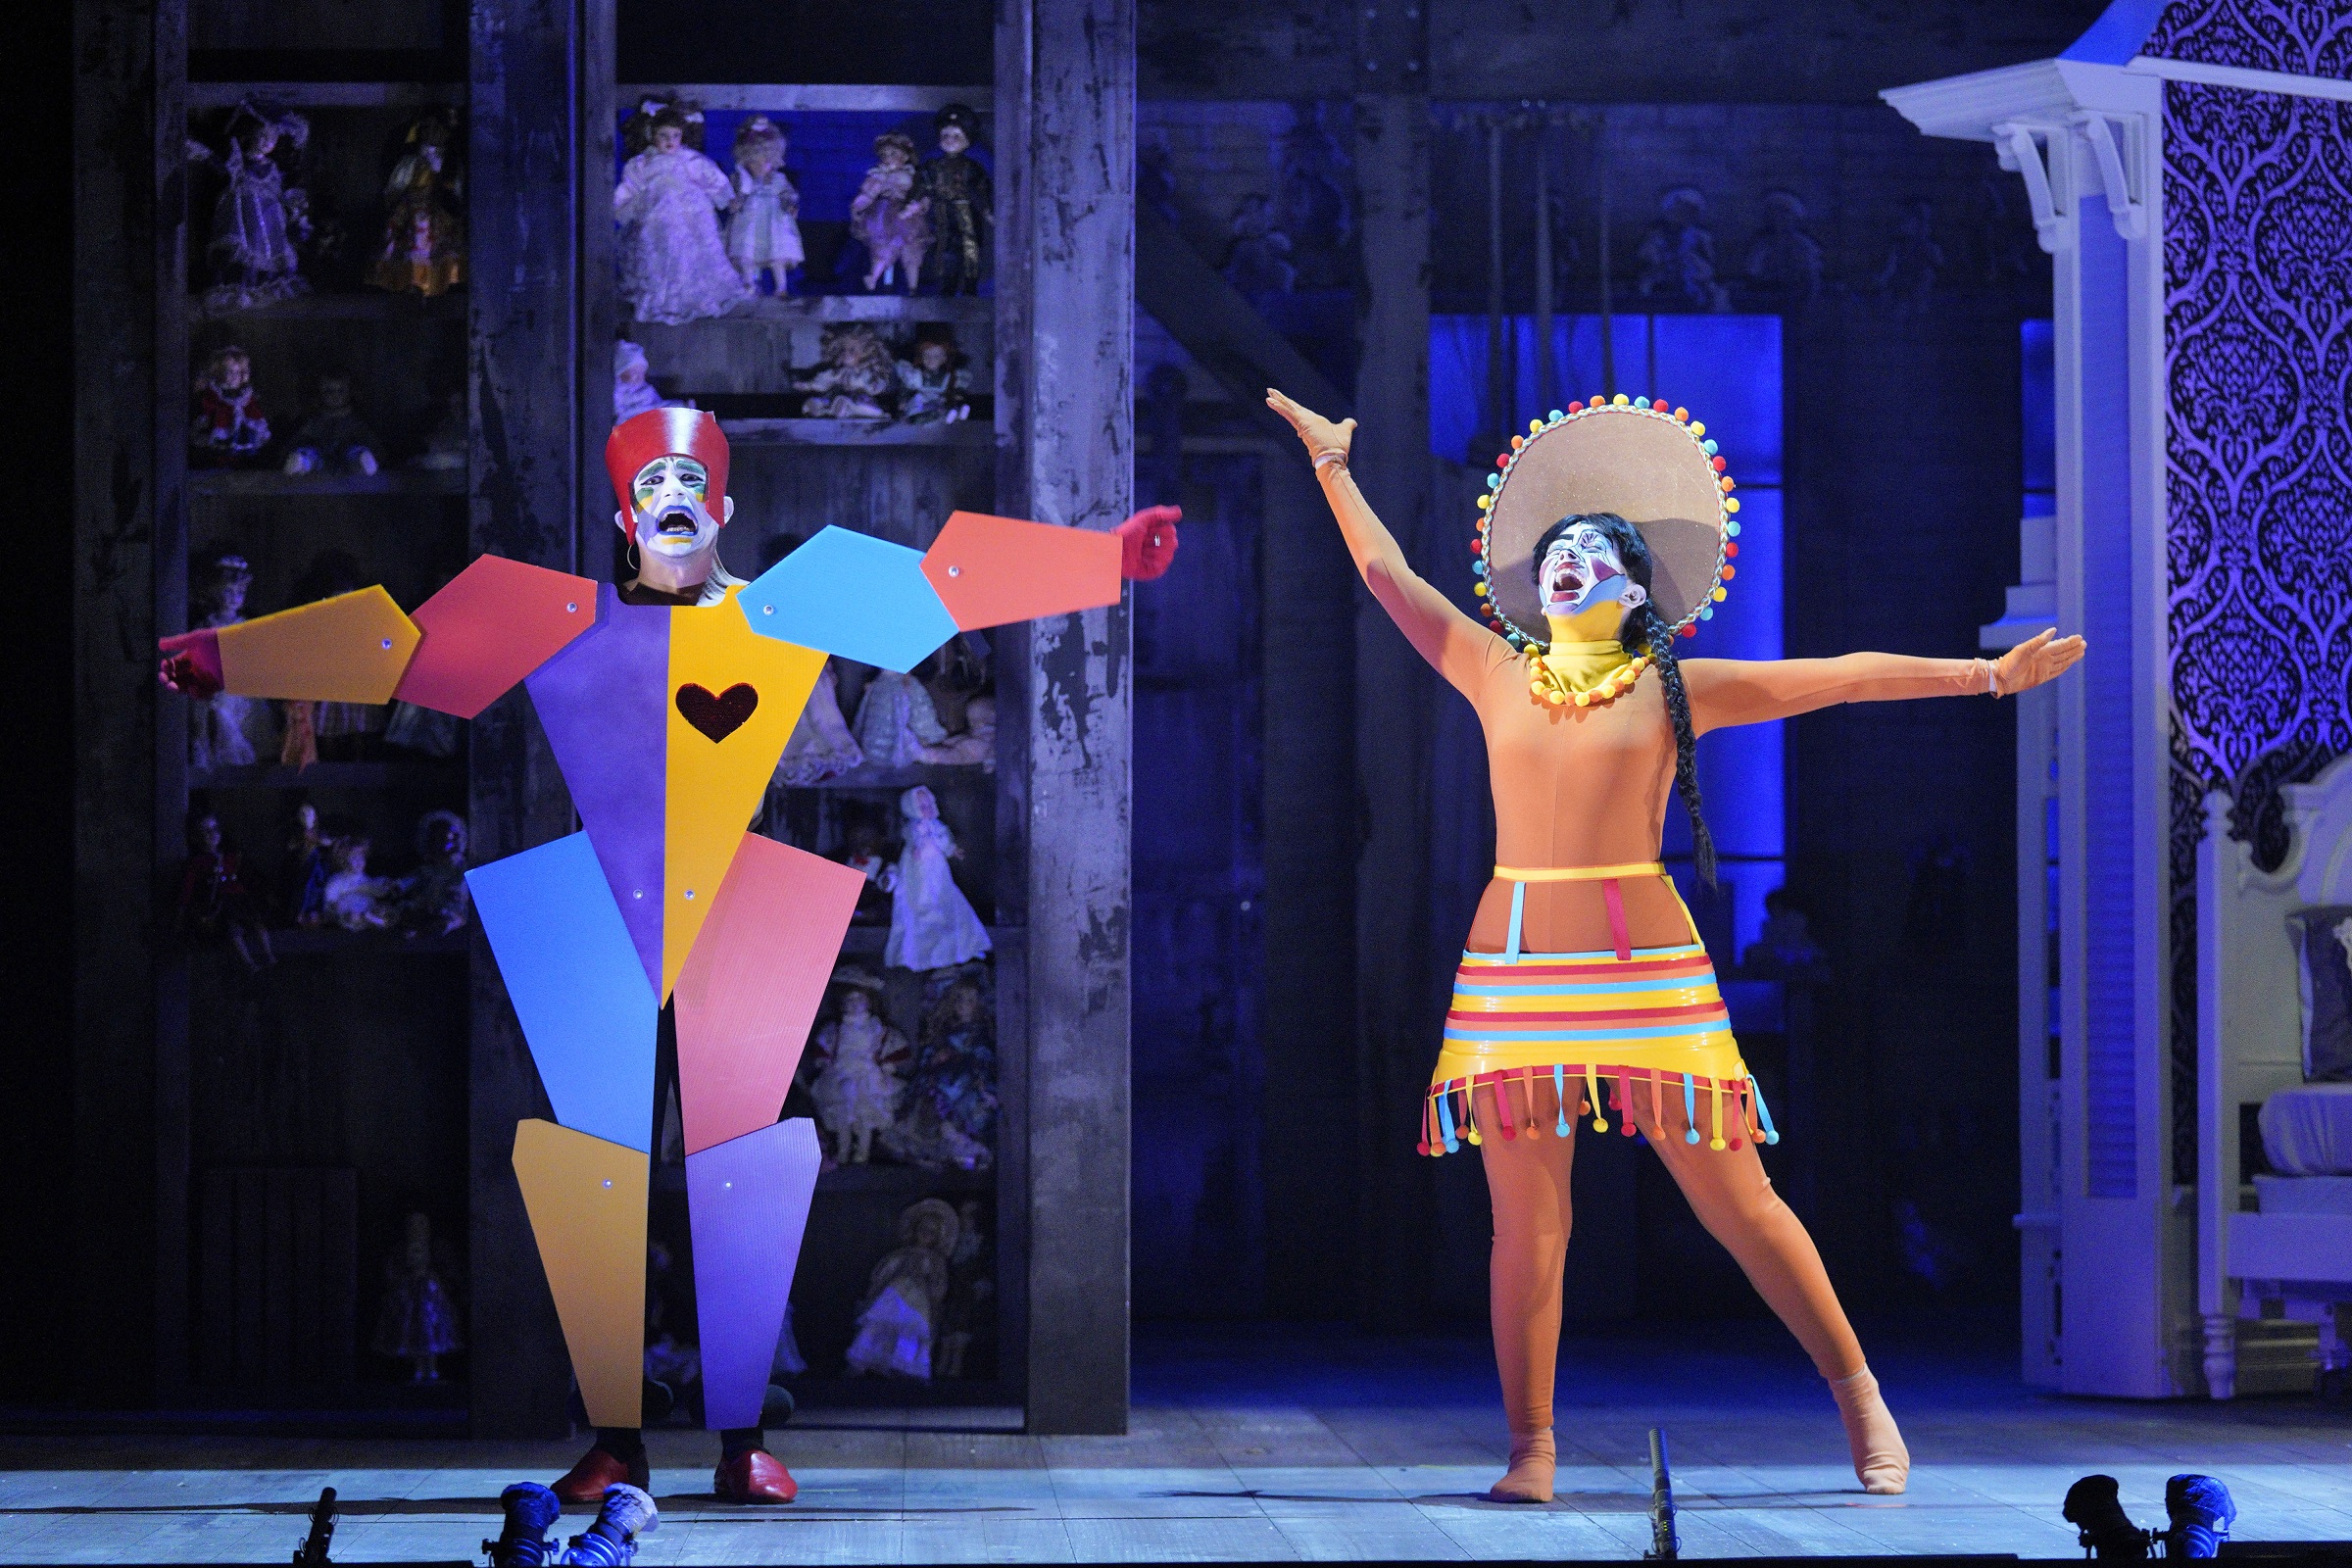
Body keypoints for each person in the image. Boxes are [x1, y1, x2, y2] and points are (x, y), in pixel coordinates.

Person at [157, 406, 1181, 1507]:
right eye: (653, 484)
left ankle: (740, 1438)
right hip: (595, 910)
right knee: (589, 1172)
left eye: (692, 479)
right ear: (621, 511)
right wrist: (234, 657)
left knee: (746, 1167)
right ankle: (617, 1439)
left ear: (725, 505)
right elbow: (402, 648)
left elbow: (945, 584)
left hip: (739, 909)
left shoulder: (792, 603)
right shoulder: (551, 614)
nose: (674, 498)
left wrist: (1108, 559)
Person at [1265, 385, 2084, 1504]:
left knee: (1738, 1202)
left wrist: (1986, 676)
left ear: (1637, 588)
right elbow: (1387, 581)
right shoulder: (1491, 668)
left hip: (1642, 962)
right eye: (1557, 548)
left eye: (1596, 548)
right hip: (1515, 964)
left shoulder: (1674, 686)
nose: (1569, 557)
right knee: (1528, 1226)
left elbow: (1837, 678)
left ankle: (1861, 1399)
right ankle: (1532, 1448)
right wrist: (1333, 468)